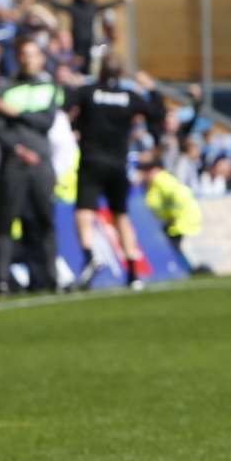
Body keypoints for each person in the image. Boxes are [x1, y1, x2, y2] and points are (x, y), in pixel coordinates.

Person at [66, 57, 160, 289]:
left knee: (85, 210)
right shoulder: (129, 97)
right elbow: (156, 114)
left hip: (92, 160)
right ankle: (133, 270)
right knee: (121, 216)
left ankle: (89, 255)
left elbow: (65, 107)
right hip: (118, 164)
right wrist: (152, 90)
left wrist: (72, 86)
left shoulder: (88, 91)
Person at [0, 40, 61, 295]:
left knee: (42, 222)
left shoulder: (49, 87)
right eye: (23, 55)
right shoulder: (5, 87)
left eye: (32, 55)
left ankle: (46, 278)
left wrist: (15, 113)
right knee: (5, 222)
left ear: (41, 59)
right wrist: (17, 149)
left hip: (40, 164)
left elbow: (45, 122)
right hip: (14, 162)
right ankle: (1, 280)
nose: (27, 60)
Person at [42, 0, 132, 71]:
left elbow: (108, 4)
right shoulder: (75, 8)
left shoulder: (92, 7)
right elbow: (58, 5)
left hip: (89, 40)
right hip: (78, 41)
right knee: (77, 61)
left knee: (90, 61)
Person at [137, 156, 200, 266]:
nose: (145, 174)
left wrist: (174, 217)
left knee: (173, 248)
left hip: (179, 223)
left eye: (148, 170)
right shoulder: (155, 183)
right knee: (173, 248)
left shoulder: (162, 180)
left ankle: (187, 270)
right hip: (175, 222)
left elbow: (179, 195)